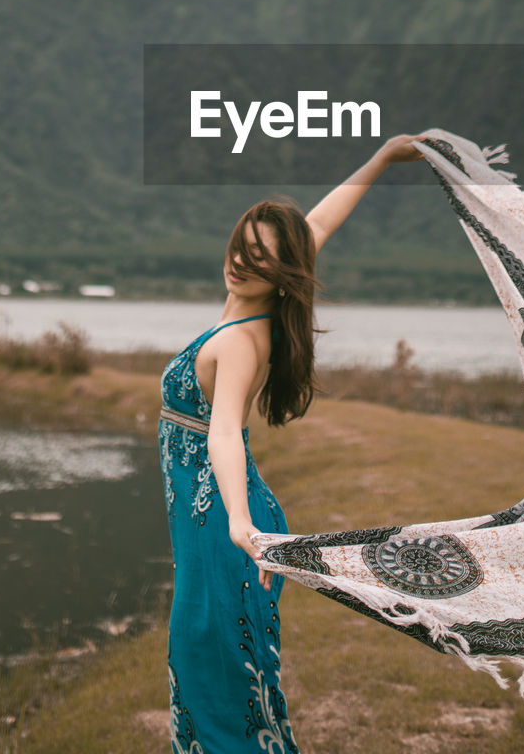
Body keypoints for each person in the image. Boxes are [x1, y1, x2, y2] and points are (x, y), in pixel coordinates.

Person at [158, 133, 426, 752]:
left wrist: (241, 523)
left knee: (215, 682)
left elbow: (224, 430)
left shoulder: (238, 342)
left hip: (226, 527)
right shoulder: (257, 311)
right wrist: (382, 159)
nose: (240, 262)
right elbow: (322, 220)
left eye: (259, 259)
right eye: (241, 247)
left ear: (281, 275)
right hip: (221, 524)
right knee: (228, 683)